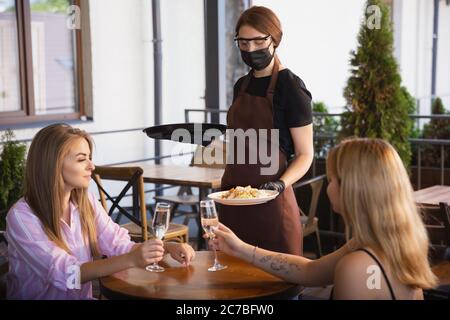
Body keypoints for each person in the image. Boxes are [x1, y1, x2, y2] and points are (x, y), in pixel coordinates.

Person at [213, 138, 437, 299]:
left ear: (352, 189)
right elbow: (309, 271)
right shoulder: (391, 244)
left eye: (331, 180)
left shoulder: (358, 266)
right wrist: (241, 248)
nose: (329, 189)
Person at [5, 124, 195, 299]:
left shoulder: (85, 201)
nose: (92, 166)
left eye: (90, 158)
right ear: (53, 164)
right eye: (81, 159)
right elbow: (68, 274)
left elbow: (119, 245)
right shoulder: (22, 217)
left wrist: (166, 249)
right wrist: (131, 259)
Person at [220, 6, 314, 255]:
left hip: (271, 204)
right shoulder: (241, 85)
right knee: (232, 280)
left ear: (275, 39)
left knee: (276, 282)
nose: (250, 49)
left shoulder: (291, 88)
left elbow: (305, 154)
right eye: (243, 42)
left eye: (258, 41)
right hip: (233, 199)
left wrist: (279, 185)